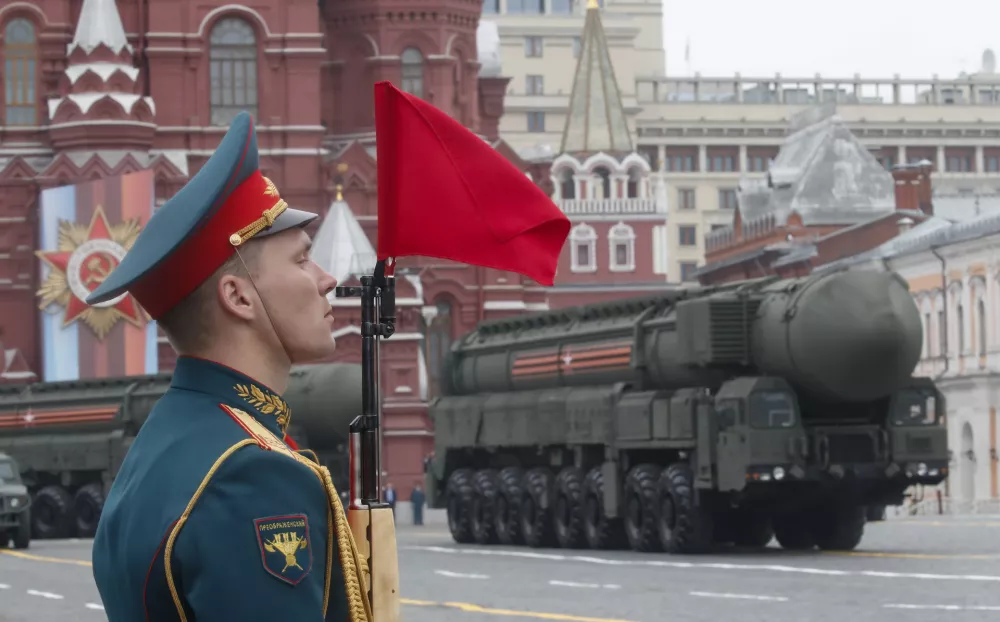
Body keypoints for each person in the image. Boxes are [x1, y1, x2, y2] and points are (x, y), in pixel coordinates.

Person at [88, 112, 373, 622]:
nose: (327, 278)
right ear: (239, 296)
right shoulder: (252, 473)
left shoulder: (167, 443)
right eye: (303, 259)